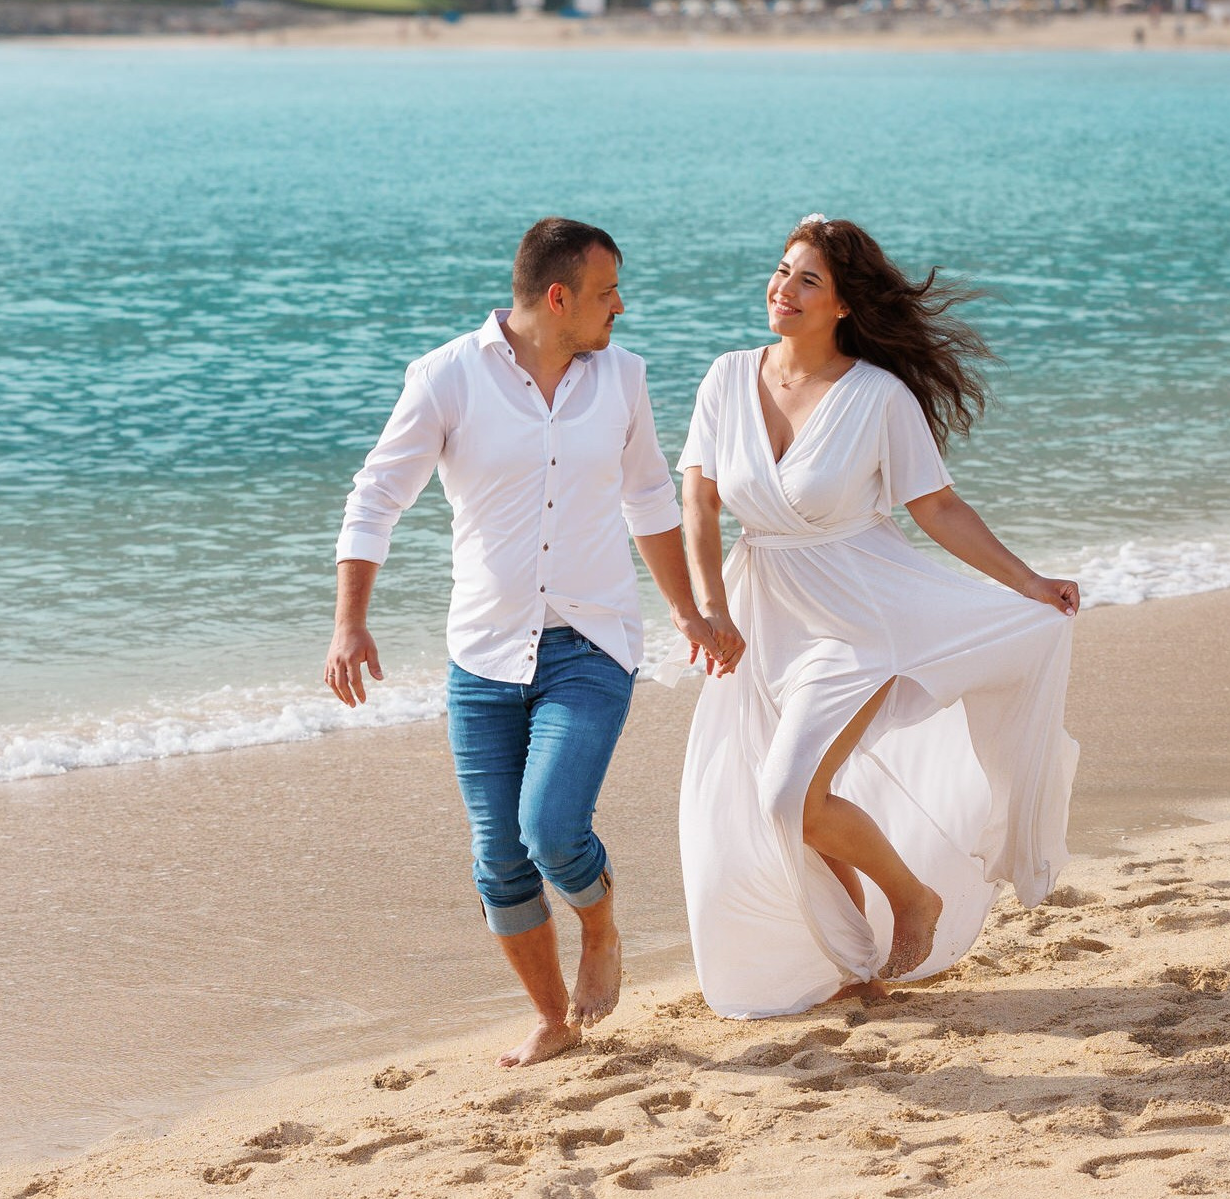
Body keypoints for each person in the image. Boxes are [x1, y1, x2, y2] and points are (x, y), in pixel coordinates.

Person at [327, 217, 726, 1066]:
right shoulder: (446, 379)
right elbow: (376, 497)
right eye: (607, 290)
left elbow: (650, 499)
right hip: (483, 655)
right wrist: (350, 621)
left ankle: (601, 921)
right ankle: (552, 1018)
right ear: (558, 297)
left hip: (592, 641)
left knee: (550, 829)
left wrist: (689, 614)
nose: (621, 305)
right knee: (499, 860)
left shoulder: (621, 379)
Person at [676, 216, 1082, 1019]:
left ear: (843, 306)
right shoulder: (727, 377)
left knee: (789, 792)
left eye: (807, 281)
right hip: (759, 614)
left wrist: (1027, 579)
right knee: (785, 798)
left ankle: (913, 896)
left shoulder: (877, 397)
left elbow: (935, 504)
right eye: (782, 271)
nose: (783, 290)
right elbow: (697, 494)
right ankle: (851, 957)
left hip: (857, 617)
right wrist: (708, 608)